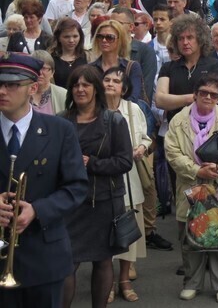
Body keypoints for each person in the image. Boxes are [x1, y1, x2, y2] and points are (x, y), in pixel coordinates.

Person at [0, 54, 88, 308]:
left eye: (12, 85)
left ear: (33, 88)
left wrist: (38, 210)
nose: (2, 91)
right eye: (0, 84)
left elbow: (76, 186)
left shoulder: (60, 130)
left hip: (44, 254)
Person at [164, 75, 218, 303]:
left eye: (213, 94)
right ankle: (192, 283)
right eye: (203, 92)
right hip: (191, 184)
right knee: (190, 236)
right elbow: (172, 153)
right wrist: (196, 170)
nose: (208, 97)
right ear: (195, 94)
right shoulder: (179, 120)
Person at [60, 65, 133, 308]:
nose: (80, 89)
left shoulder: (114, 121)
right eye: (75, 85)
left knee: (102, 261)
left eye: (86, 85)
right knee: (67, 262)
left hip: (104, 201)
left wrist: (92, 163)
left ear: (96, 89)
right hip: (69, 202)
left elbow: (125, 161)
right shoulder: (60, 120)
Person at [102, 68, 150, 303]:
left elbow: (146, 138)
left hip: (130, 179)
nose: (110, 84)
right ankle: (107, 282)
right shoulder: (94, 110)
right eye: (107, 80)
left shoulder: (133, 109)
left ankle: (124, 280)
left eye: (116, 81)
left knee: (128, 230)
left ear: (124, 88)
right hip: (102, 179)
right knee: (104, 233)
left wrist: (141, 148)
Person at [156, 15, 218, 122]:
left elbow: (214, 96)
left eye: (190, 38)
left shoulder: (215, 65)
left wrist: (174, 100)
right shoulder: (168, 67)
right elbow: (160, 100)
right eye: (181, 38)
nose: (185, 42)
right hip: (176, 126)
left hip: (206, 125)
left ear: (200, 39)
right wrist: (194, 97)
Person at [90, 19, 145, 103]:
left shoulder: (131, 67)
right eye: (100, 36)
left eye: (110, 37)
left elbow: (133, 98)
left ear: (120, 40)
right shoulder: (90, 68)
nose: (104, 40)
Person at [49, 18, 88, 88]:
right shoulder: (51, 58)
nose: (71, 40)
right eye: (66, 37)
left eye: (75, 36)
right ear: (59, 38)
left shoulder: (88, 56)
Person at [30, 50, 67, 114]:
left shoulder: (64, 95)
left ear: (52, 73)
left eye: (44, 68)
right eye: (36, 68)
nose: (40, 72)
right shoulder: (21, 94)